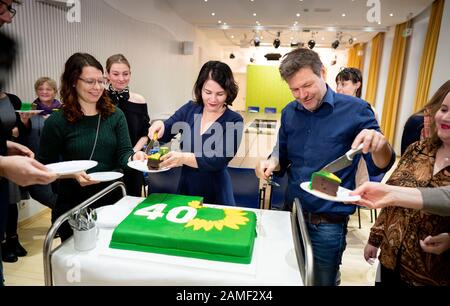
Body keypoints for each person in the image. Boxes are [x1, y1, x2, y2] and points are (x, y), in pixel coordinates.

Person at [255, 48, 396, 286]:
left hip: (328, 223)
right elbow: (282, 154)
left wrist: (381, 144)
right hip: (292, 214)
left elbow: (382, 163)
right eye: (294, 90)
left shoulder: (356, 109)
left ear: (323, 72)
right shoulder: (290, 112)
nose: (302, 95)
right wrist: (271, 161)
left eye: (307, 85)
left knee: (321, 281)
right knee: (290, 277)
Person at [37, 53, 146, 241]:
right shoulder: (58, 121)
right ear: (73, 81)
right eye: (90, 82)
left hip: (111, 198)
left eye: (100, 81)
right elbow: (45, 166)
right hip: (74, 202)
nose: (97, 88)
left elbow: (124, 153)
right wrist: (71, 175)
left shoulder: (115, 115)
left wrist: (133, 158)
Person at [363, 81, 450, 286]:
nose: (445, 117)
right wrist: (374, 238)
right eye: (444, 109)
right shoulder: (417, 150)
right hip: (391, 261)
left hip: (433, 276)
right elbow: (390, 196)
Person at [148, 61, 243, 205]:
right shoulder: (190, 109)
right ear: (200, 88)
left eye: (220, 94)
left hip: (216, 192)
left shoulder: (234, 120)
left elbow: (218, 160)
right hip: (187, 190)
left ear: (228, 92)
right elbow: (167, 129)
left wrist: (183, 158)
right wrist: (159, 124)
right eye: (208, 92)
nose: (212, 99)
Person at [106, 54, 149, 197]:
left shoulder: (139, 100)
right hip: (108, 165)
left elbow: (145, 133)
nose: (121, 78)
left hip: (132, 163)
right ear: (107, 75)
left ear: (130, 74)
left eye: (125, 74)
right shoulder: (99, 101)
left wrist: (132, 153)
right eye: (115, 74)